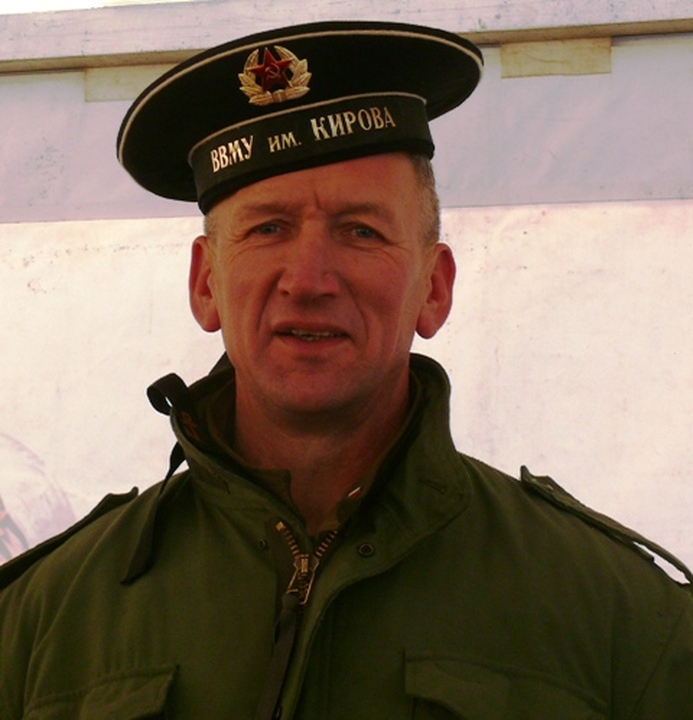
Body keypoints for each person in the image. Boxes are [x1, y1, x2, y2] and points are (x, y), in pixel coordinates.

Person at [0, 20, 691, 720]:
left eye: (361, 231)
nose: (308, 280)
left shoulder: (624, 621)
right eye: (268, 229)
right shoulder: (44, 619)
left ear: (434, 288)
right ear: (205, 284)